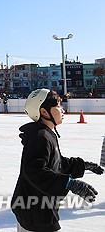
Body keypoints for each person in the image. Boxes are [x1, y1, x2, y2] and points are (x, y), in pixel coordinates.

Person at [11, 88, 104, 232]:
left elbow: (56, 162)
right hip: (34, 211)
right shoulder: (40, 137)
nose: (63, 110)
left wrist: (83, 165)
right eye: (58, 106)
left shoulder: (46, 134)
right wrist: (69, 183)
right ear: (43, 111)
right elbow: (34, 171)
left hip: (35, 208)